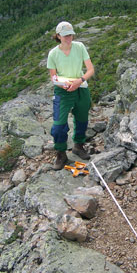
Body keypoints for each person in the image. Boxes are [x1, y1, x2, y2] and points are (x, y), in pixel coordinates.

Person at [47, 21, 95, 170]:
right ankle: (61, 153)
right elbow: (53, 77)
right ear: (58, 36)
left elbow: (90, 69)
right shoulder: (53, 54)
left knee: (82, 119)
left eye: (70, 35)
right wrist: (64, 84)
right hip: (63, 90)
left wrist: (79, 81)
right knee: (58, 126)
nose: (69, 38)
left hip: (80, 87)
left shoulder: (79, 47)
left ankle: (78, 146)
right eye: (65, 35)